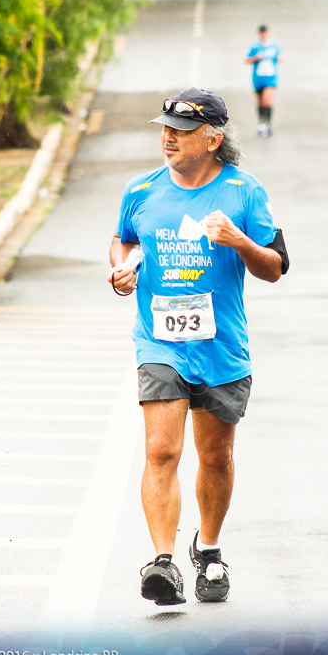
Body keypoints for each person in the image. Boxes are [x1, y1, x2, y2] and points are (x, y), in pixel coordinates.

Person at [107, 87, 289, 605]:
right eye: (165, 129)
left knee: (217, 456)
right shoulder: (140, 190)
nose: (168, 138)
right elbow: (126, 238)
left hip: (222, 347)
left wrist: (240, 242)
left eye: (181, 132)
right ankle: (162, 562)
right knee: (161, 449)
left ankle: (207, 549)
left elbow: (275, 268)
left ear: (212, 139)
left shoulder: (245, 193)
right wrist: (123, 268)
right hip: (159, 341)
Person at [245, 25, 282, 137]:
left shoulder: (275, 45)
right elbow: (246, 59)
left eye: (265, 33)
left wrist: (278, 58)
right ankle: (261, 122)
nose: (263, 35)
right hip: (258, 78)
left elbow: (281, 57)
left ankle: (268, 124)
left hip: (271, 78)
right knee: (260, 102)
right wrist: (256, 58)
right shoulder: (254, 46)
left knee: (267, 101)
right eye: (261, 33)